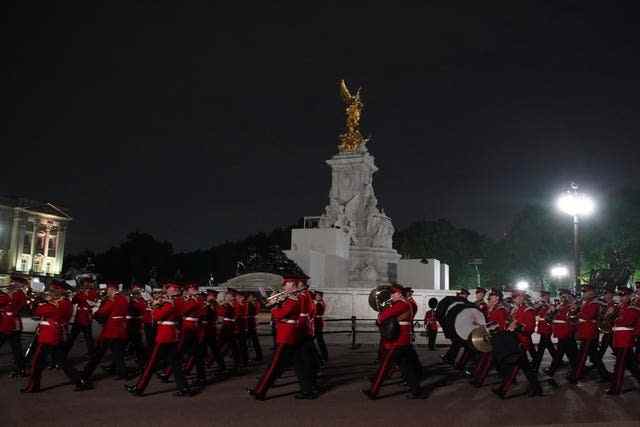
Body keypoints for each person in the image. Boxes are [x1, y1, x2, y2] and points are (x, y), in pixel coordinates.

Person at [126, 283, 192, 397]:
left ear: (174, 291)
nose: (166, 292)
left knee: (151, 363)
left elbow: (156, 317)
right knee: (176, 364)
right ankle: (184, 388)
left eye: (168, 290)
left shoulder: (170, 303)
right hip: (172, 335)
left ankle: (139, 388)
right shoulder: (180, 301)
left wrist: (155, 306)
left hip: (164, 335)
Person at [21, 283, 89, 393]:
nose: (50, 293)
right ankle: (80, 381)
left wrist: (39, 300)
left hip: (49, 336)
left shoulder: (61, 304)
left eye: (53, 291)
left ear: (59, 292)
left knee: (37, 363)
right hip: (54, 335)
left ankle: (33, 386)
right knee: (63, 362)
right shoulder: (63, 303)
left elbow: (38, 311)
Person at [250, 278, 311, 400]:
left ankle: (260, 390)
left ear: (292, 287)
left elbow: (279, 314)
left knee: (274, 364)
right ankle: (308, 390)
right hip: (291, 333)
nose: (283, 288)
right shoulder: (290, 298)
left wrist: (273, 305)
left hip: (286, 335)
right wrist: (274, 301)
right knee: (299, 365)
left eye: (286, 285)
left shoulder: (293, 300)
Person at [363, 284, 425, 400]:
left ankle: (373, 391)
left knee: (385, 366)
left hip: (397, 341)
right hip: (404, 340)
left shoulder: (401, 304)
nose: (391, 296)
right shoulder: (407, 303)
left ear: (398, 293)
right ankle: (417, 391)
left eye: (393, 294)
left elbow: (382, 318)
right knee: (405, 367)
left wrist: (383, 310)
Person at [492, 289, 542, 398]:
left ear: (523, 298)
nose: (517, 300)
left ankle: (536, 389)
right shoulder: (515, 310)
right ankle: (536, 388)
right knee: (522, 367)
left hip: (521, 342)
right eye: (515, 298)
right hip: (513, 341)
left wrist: (517, 327)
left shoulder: (528, 310)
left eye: (519, 297)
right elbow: (510, 322)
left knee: (523, 367)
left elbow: (530, 329)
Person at [81, 282, 129, 384]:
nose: (107, 292)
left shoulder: (113, 299)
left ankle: (86, 374)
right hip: (120, 328)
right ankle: (123, 373)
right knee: (118, 352)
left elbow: (103, 312)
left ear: (112, 289)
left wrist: (95, 310)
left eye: (108, 290)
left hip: (111, 329)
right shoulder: (123, 298)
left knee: (99, 353)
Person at [571, 283, 610, 382]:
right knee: (594, 356)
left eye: (585, 292)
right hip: (586, 330)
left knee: (582, 355)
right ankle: (604, 374)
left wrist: (578, 312)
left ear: (591, 293)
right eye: (583, 291)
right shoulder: (587, 302)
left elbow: (589, 316)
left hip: (589, 331)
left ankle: (576, 375)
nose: (583, 293)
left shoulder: (594, 303)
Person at [471, 288, 508, 387]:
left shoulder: (501, 309)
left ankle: (479, 380)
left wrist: (489, 327)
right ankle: (507, 377)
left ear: (497, 298)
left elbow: (502, 325)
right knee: (494, 360)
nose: (489, 298)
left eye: (492, 296)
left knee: (488, 359)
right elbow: (487, 321)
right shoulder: (490, 308)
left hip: (497, 337)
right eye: (490, 296)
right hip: (490, 336)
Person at [606, 287, 640, 395]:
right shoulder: (621, 307)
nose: (621, 298)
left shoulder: (632, 308)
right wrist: (609, 314)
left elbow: (627, 322)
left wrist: (614, 317)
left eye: (624, 295)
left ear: (629, 296)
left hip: (626, 339)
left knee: (620, 365)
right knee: (631, 364)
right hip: (620, 338)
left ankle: (615, 388)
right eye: (620, 295)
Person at [544, 289, 578, 378]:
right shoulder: (560, 305)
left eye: (564, 296)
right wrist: (552, 311)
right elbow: (550, 318)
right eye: (561, 296)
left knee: (561, 353)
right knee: (571, 354)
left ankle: (552, 370)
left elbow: (572, 319)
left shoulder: (571, 306)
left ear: (568, 296)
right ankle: (577, 370)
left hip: (566, 332)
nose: (562, 298)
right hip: (560, 332)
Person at [0, 278, 27, 377]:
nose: (12, 283)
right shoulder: (11, 292)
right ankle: (21, 368)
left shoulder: (17, 294)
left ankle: (21, 368)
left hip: (8, 324)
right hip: (8, 323)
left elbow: (4, 302)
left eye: (14, 282)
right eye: (12, 282)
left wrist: (7, 295)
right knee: (16, 349)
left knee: (16, 349)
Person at [66, 278, 97, 359]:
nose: (86, 285)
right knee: (72, 338)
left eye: (87, 283)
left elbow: (91, 302)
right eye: (84, 283)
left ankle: (92, 353)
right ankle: (64, 353)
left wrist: (81, 295)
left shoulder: (93, 292)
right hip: (79, 318)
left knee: (88, 338)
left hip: (87, 318)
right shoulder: (80, 292)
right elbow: (74, 301)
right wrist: (76, 295)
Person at [441, 288, 470, 364]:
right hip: (457, 328)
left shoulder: (462, 303)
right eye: (463, 295)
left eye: (464, 295)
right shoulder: (461, 304)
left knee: (458, 344)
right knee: (457, 344)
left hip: (461, 328)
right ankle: (450, 358)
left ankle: (450, 358)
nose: (464, 297)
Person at [531, 290, 557, 371]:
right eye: (542, 296)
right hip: (542, 327)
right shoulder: (540, 305)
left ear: (548, 297)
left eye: (545, 296)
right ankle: (557, 360)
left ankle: (536, 365)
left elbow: (553, 312)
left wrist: (547, 304)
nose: (543, 298)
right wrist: (539, 305)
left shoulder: (551, 305)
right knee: (549, 346)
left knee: (541, 349)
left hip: (547, 327)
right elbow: (534, 311)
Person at [246, 292, 263, 362]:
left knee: (252, 341)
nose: (248, 298)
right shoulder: (252, 303)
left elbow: (256, 312)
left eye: (250, 296)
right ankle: (258, 355)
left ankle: (258, 356)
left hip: (250, 323)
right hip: (251, 322)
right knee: (254, 341)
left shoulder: (252, 304)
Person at [314, 291, 329, 361]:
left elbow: (316, 312)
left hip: (317, 322)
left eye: (318, 296)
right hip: (316, 322)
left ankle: (323, 355)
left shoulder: (319, 304)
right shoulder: (318, 303)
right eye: (317, 296)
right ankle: (323, 355)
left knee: (319, 340)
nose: (317, 297)